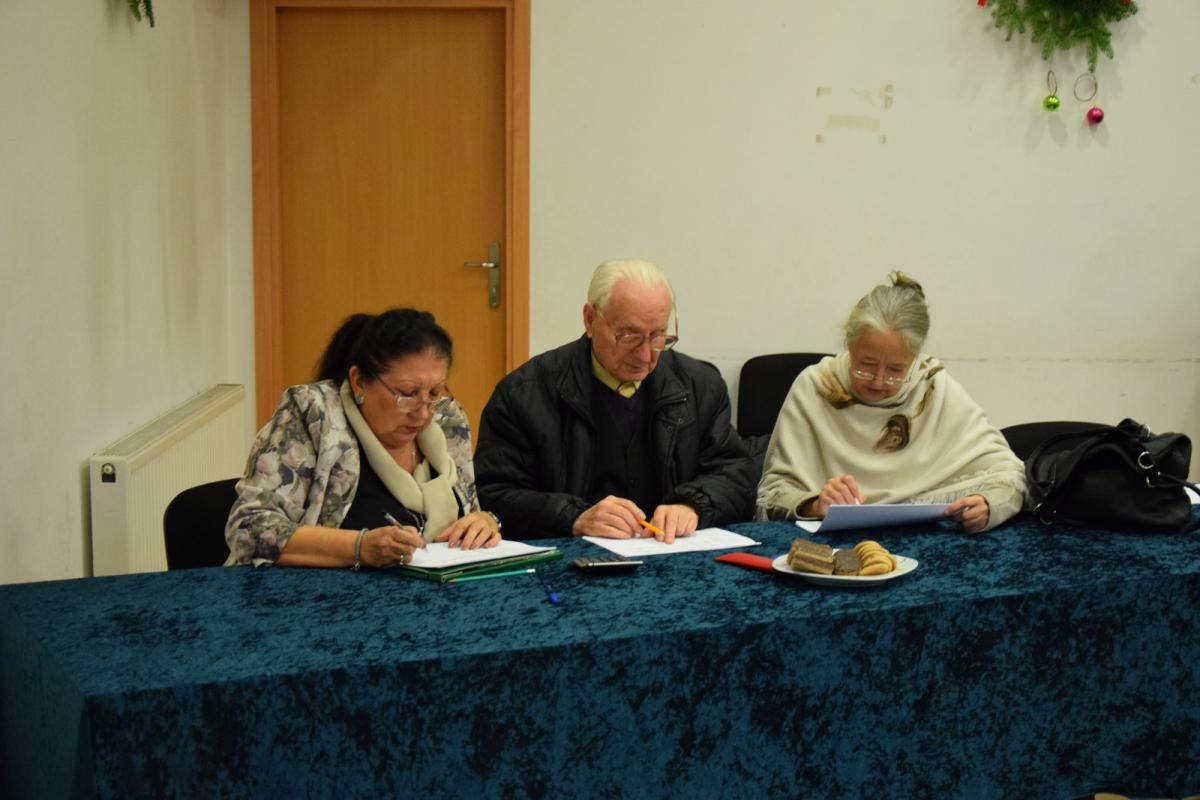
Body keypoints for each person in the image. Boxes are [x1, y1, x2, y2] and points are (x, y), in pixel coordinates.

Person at [474, 258, 757, 541]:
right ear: (589, 319)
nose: (645, 356)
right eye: (629, 336)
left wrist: (692, 504)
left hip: (669, 550)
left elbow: (737, 476)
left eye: (658, 336)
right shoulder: (525, 394)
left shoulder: (700, 387)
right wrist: (574, 517)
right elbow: (494, 496)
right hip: (570, 555)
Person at [225, 308, 502, 567]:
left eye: (434, 392)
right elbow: (249, 528)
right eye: (407, 394)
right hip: (322, 595)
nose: (423, 412)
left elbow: (469, 511)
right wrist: (359, 547)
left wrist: (484, 522)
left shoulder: (447, 418)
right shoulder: (314, 414)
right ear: (359, 382)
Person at [756, 273, 1026, 533]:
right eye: (866, 364)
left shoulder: (933, 388)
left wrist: (987, 504)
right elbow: (773, 493)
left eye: (896, 370)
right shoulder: (815, 387)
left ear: (915, 358)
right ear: (849, 345)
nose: (878, 381)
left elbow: (1010, 475)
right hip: (830, 544)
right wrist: (815, 504)